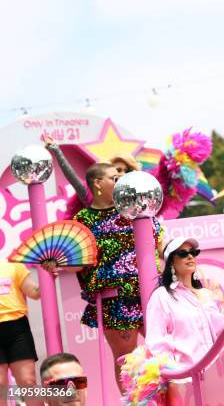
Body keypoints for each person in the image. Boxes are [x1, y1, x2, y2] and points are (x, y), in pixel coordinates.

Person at [43, 163, 164, 390]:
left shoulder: (136, 208)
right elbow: (77, 264)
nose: (121, 182)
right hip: (114, 299)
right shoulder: (84, 220)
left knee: (165, 351)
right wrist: (56, 264)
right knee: (126, 360)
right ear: (98, 184)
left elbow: (161, 247)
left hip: (151, 293)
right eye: (114, 178)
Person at [120, 237, 224, 404]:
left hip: (217, 377)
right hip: (184, 383)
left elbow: (221, 331)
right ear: (171, 262)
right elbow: (157, 344)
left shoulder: (205, 293)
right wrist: (174, 380)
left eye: (193, 253)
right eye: (183, 253)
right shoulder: (161, 296)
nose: (190, 257)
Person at [42, 134, 140, 220]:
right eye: (118, 170)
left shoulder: (135, 201)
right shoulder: (91, 199)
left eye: (127, 171)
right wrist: (57, 151)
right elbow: (72, 178)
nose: (123, 174)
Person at [0, 261, 40, 406]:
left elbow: (34, 292)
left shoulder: (13, 266)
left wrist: (48, 278)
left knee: (28, 382)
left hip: (17, 329)